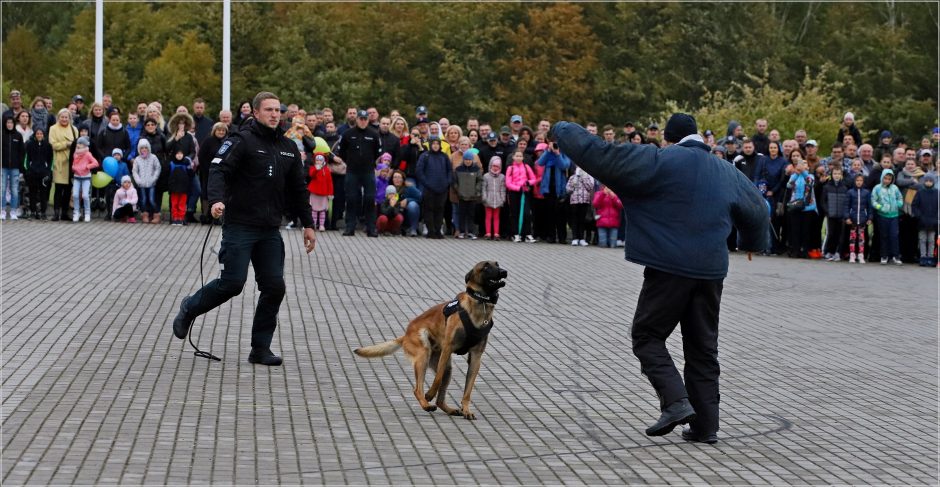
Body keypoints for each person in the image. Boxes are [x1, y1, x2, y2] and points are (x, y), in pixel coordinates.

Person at [551, 113, 768, 444]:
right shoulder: (726, 171)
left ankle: (676, 402)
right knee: (702, 347)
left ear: (668, 138)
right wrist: (753, 242)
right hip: (711, 270)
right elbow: (758, 208)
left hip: (669, 268)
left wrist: (563, 130)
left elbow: (602, 155)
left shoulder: (658, 160)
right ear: (697, 137)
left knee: (647, 335)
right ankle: (706, 426)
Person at [172, 91, 316, 367]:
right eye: (269, 110)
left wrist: (308, 224)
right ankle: (189, 306)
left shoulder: (288, 147)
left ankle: (260, 349)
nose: (275, 114)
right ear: (256, 113)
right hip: (239, 225)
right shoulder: (241, 140)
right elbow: (218, 171)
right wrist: (215, 200)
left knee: (274, 287)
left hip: (270, 230)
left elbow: (299, 189)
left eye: (278, 110)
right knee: (233, 284)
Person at [335, 109, 381, 237]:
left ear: (368, 120)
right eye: (360, 119)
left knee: (369, 199)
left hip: (368, 172)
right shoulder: (348, 134)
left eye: (365, 119)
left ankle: (371, 228)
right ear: (357, 119)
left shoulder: (374, 134)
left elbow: (378, 152)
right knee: (351, 199)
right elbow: (342, 151)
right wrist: (350, 162)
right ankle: (350, 227)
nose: (363, 121)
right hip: (352, 172)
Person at [416, 136, 451, 239]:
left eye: (437, 144)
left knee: (440, 209)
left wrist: (447, 182)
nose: (435, 146)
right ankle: (430, 231)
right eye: (433, 144)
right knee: (429, 209)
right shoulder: (425, 156)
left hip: (442, 188)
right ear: (430, 145)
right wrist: (426, 183)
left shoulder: (444, 156)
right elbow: (419, 171)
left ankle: (438, 230)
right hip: (429, 188)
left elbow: (449, 170)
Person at [785, 154, 817, 258]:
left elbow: (810, 182)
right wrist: (796, 173)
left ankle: (805, 250)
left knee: (806, 231)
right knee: (795, 230)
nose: (802, 166)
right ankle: (795, 250)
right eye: (800, 164)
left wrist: (802, 172)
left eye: (804, 164)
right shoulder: (794, 176)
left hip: (807, 207)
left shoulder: (810, 176)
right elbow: (789, 185)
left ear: (807, 167)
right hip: (795, 205)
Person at [871, 168, 903, 265]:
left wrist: (899, 204)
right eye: (885, 178)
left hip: (894, 216)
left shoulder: (895, 188)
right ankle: (884, 256)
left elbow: (900, 197)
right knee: (884, 236)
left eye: (889, 179)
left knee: (894, 236)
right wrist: (880, 207)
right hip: (882, 215)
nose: (887, 181)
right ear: (882, 178)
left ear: (892, 179)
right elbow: (873, 201)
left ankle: (895, 256)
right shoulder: (877, 188)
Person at [505, 149, 536, 243]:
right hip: (514, 193)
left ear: (523, 157)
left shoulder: (526, 167)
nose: (519, 158)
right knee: (514, 213)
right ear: (513, 157)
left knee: (527, 213)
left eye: (520, 156)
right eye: (517, 156)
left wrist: (528, 183)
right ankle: (515, 234)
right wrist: (517, 188)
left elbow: (533, 179)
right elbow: (508, 182)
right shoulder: (510, 168)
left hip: (525, 192)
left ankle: (527, 234)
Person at [452, 150, 483, 239]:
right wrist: (458, 190)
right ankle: (461, 231)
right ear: (463, 160)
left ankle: (470, 231)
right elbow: (454, 181)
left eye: (469, 160)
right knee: (461, 214)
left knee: (471, 214)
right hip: (461, 196)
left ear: (472, 160)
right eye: (466, 159)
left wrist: (476, 190)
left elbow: (480, 181)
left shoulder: (476, 169)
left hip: (472, 196)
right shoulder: (458, 169)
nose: (468, 161)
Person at [820, 166, 849, 261]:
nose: (837, 176)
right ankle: (828, 251)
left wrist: (845, 213)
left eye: (838, 174)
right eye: (835, 174)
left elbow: (846, 202)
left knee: (840, 234)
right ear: (831, 175)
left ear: (841, 175)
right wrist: (827, 211)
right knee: (830, 233)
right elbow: (823, 201)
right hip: (831, 215)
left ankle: (838, 252)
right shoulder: (827, 187)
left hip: (841, 215)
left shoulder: (844, 187)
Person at [24, 129, 53, 220]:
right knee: (33, 193)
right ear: (35, 135)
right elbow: (26, 159)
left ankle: (43, 213)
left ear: (44, 135)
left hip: (44, 173)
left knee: (43, 194)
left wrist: (48, 171)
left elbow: (51, 160)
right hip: (33, 173)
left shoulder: (48, 145)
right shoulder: (30, 144)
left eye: (41, 133)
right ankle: (33, 212)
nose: (39, 135)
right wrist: (28, 170)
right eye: (37, 133)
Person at [844, 173, 872, 264]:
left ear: (863, 182)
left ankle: (861, 255)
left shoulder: (867, 192)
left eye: (861, 180)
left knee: (861, 239)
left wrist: (870, 218)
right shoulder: (850, 192)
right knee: (852, 238)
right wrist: (847, 217)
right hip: (853, 219)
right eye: (857, 180)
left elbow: (869, 207)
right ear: (854, 181)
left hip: (863, 219)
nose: (859, 182)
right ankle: (852, 254)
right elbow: (846, 206)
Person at [911, 174, 938, 266]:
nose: (928, 183)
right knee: (922, 239)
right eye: (926, 181)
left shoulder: (937, 193)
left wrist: (937, 218)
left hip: (933, 221)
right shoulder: (920, 192)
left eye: (930, 181)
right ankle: (923, 257)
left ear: (933, 182)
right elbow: (914, 205)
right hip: (922, 221)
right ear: (924, 181)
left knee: (931, 240)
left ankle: (930, 257)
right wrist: (918, 215)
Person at [2, 114, 25, 220]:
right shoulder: (1, 135)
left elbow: (22, 153)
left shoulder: (18, 136)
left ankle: (13, 211)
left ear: (14, 123)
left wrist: (21, 168)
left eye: (11, 122)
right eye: (7, 122)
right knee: (2, 190)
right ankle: (2, 211)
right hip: (3, 167)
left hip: (15, 168)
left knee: (14, 190)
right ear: (5, 123)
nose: (9, 124)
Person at [71, 136, 99, 222]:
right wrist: (73, 167)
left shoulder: (88, 154)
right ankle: (76, 212)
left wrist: (87, 166)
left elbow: (95, 163)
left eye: (81, 143)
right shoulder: (75, 153)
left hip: (86, 177)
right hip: (77, 176)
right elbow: (74, 163)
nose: (79, 145)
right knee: (75, 195)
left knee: (85, 195)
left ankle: (87, 213)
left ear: (85, 145)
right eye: (78, 143)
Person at [132, 139, 161, 223]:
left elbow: (158, 168)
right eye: (142, 148)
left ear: (148, 148)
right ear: (139, 149)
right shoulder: (137, 159)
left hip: (151, 183)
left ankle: (156, 215)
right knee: (143, 200)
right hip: (142, 183)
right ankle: (145, 214)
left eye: (145, 147)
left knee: (152, 200)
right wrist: (138, 181)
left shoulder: (153, 157)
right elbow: (135, 171)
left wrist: (154, 178)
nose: (144, 149)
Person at [566, 166, 595, 246]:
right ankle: (575, 238)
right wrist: (576, 179)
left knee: (582, 220)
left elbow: (590, 187)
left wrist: (583, 178)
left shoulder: (588, 177)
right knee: (574, 220)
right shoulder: (572, 177)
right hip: (574, 201)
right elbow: (568, 189)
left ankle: (582, 238)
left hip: (584, 201)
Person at [307, 153, 333, 231]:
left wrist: (330, 193)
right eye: (317, 160)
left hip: (324, 193)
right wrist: (316, 169)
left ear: (324, 161)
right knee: (314, 210)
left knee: (322, 210)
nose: (318, 161)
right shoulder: (312, 168)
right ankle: (314, 224)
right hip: (314, 192)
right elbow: (311, 175)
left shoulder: (327, 170)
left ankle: (321, 225)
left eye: (320, 160)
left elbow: (330, 182)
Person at [481, 156, 506, 240]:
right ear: (490, 166)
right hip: (488, 199)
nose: (495, 168)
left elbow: (503, 189)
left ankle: (496, 233)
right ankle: (488, 233)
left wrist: (503, 198)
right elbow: (483, 188)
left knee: (496, 217)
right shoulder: (486, 176)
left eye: (497, 166)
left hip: (498, 199)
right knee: (488, 217)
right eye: (494, 166)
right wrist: (484, 197)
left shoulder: (502, 177)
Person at [167, 149, 193, 226]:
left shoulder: (186, 164)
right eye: (177, 153)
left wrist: (190, 167)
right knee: (174, 204)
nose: (179, 155)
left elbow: (191, 175)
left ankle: (181, 218)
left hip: (184, 189)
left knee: (182, 204)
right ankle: (175, 218)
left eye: (181, 154)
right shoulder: (171, 164)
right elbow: (167, 176)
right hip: (174, 189)